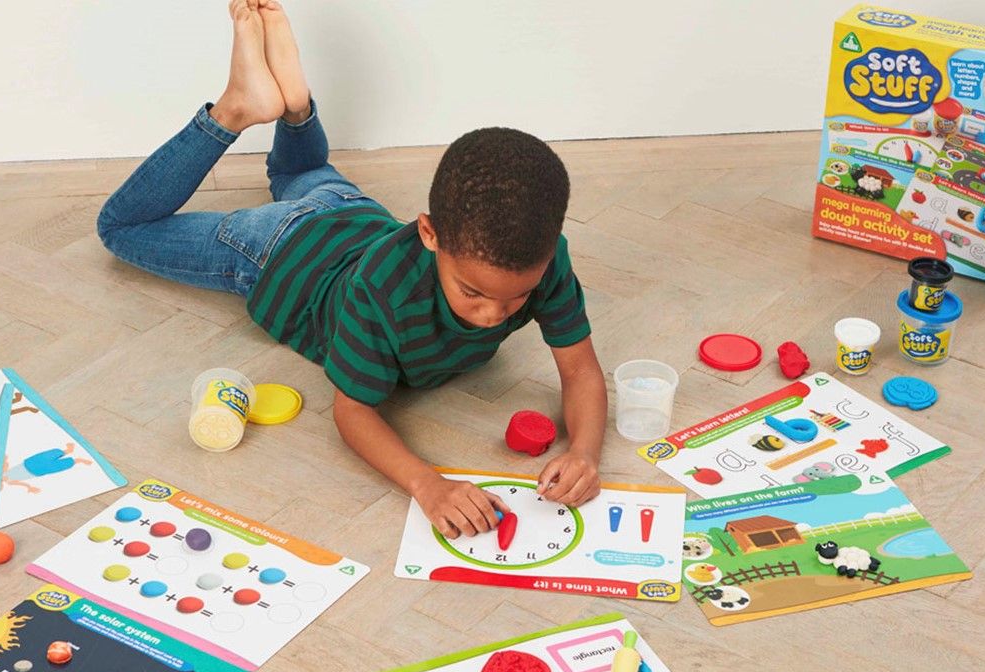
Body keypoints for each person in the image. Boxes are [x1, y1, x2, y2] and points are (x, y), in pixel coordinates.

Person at [97, 0, 607, 538]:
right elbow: (353, 413)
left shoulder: (539, 257)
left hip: (347, 207)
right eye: (474, 293)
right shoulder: (381, 291)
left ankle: (294, 106)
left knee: (308, 169)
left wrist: (585, 452)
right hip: (275, 251)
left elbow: (580, 370)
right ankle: (233, 110)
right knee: (120, 229)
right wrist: (428, 485)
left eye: (515, 298)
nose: (492, 315)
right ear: (429, 233)